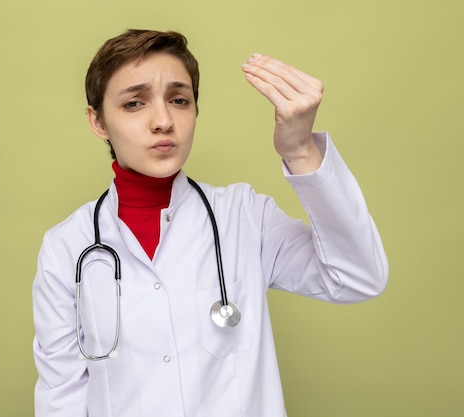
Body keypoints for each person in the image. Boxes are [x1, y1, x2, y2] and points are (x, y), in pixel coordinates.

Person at [32, 29, 388, 417]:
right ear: (98, 121)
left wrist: (300, 150)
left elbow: (358, 277)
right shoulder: (68, 247)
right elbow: (60, 396)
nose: (163, 121)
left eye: (179, 100)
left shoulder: (244, 216)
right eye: (134, 103)